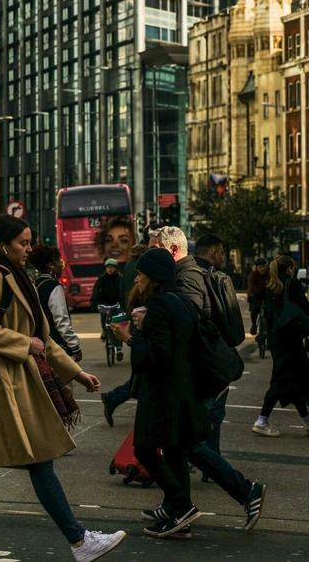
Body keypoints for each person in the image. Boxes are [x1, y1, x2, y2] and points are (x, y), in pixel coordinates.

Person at [0, 216, 123, 562]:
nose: (29, 248)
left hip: (5, 381)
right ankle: (79, 541)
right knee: (38, 460)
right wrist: (24, 344)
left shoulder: (16, 277)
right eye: (23, 242)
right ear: (5, 246)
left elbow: (44, 339)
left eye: (30, 241)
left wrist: (76, 373)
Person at [145, 226, 267, 527]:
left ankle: (245, 491)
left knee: (190, 443)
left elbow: (189, 322)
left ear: (173, 251)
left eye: (154, 250)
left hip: (196, 375)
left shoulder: (187, 277)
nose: (148, 256)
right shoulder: (183, 275)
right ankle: (178, 506)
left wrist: (150, 322)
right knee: (179, 443)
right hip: (189, 374)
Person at [112, 248, 210, 538]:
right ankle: (180, 518)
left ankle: (181, 505)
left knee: (144, 448)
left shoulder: (157, 308)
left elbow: (157, 357)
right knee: (175, 453)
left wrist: (129, 336)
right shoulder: (180, 301)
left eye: (141, 274)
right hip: (183, 388)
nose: (137, 279)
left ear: (153, 277)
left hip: (162, 393)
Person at [251, 256, 309, 437]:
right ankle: (262, 420)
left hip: (278, 340)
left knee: (295, 380)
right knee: (281, 381)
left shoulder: (271, 287)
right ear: (290, 268)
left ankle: (307, 420)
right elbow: (305, 309)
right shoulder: (293, 285)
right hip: (292, 340)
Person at [30, 245, 82, 361]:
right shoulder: (53, 287)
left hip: (42, 343)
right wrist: (74, 346)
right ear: (50, 265)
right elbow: (61, 319)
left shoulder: (36, 284)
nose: (62, 263)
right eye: (59, 259)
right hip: (57, 346)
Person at [246, 259, 269, 336]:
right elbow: (250, 287)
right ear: (256, 268)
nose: (263, 269)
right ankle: (254, 324)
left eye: (264, 266)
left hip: (267, 295)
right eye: (260, 267)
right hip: (256, 295)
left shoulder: (269, 274)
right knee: (254, 309)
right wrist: (252, 294)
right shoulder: (253, 275)